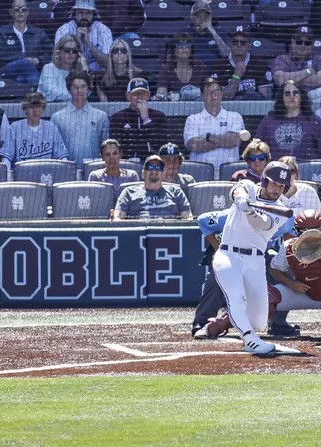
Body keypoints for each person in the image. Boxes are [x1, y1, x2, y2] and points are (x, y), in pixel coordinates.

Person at [204, 160, 295, 357]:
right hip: (228, 255)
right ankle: (249, 339)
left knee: (259, 321)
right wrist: (242, 200)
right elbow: (238, 190)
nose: (277, 189)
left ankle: (245, 328)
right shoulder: (249, 187)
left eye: (281, 186)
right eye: (274, 184)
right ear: (264, 181)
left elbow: (260, 224)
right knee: (236, 296)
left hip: (255, 261)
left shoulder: (281, 209)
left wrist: (249, 210)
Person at [112, 153, 191, 220]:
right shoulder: (129, 192)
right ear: (143, 174)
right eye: (150, 167)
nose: (154, 170)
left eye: (158, 168)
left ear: (163, 173)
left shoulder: (176, 192)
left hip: (169, 233)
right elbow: (118, 218)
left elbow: (188, 218)